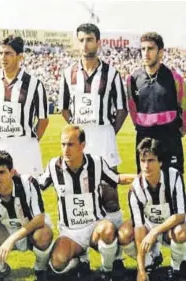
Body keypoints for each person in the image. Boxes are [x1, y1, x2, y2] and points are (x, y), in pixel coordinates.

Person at [58, 23, 128, 267]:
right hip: (80, 140)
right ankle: (83, 252)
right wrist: (80, 131)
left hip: (104, 136)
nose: (85, 44)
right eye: (82, 40)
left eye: (90, 39)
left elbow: (122, 109)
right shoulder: (68, 74)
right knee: (80, 191)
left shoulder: (112, 74)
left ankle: (114, 256)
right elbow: (64, 108)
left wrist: (107, 131)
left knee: (109, 196)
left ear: (98, 42)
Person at [38, 125, 135, 280]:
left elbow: (117, 178)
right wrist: (14, 180)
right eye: (63, 144)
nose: (65, 149)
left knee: (108, 230)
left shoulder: (96, 163)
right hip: (70, 232)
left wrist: (141, 177)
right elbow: (36, 185)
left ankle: (106, 270)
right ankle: (79, 261)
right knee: (57, 262)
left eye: (70, 144)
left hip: (94, 226)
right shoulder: (53, 166)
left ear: (82, 146)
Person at [0, 150, 54, 281]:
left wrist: (12, 240)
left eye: (2, 172)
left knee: (43, 234)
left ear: (11, 172)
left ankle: (41, 268)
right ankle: (0, 269)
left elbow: (39, 219)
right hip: (6, 232)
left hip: (31, 231)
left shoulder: (28, 184)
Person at [117, 138, 186, 281]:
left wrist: (155, 232)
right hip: (148, 227)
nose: (146, 166)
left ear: (160, 162)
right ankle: (150, 261)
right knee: (124, 234)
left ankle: (177, 265)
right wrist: (140, 270)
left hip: (171, 228)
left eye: (151, 160)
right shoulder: (136, 188)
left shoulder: (174, 177)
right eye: (142, 161)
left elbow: (180, 215)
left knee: (181, 232)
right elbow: (139, 228)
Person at [0, 36, 48, 176]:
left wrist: (29, 140)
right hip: (0, 145)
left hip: (26, 147)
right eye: (0, 53)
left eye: (8, 54)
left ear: (20, 57)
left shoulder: (34, 84)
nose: (3, 57)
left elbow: (43, 119)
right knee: (0, 192)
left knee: (29, 193)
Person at [127, 32, 185, 174]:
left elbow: (183, 106)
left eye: (150, 49)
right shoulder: (133, 79)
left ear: (160, 52)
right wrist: (143, 127)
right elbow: (133, 109)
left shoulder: (175, 78)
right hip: (144, 138)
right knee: (146, 185)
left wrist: (179, 130)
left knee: (173, 184)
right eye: (143, 49)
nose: (146, 53)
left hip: (169, 137)